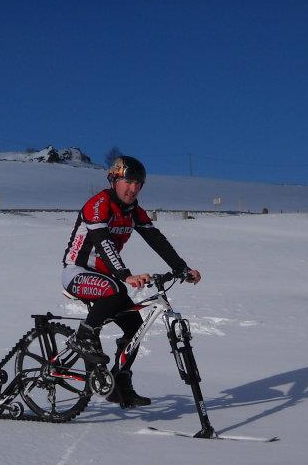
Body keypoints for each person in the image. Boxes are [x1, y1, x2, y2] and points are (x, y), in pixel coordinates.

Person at [61, 155, 202, 408]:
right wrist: (125, 274)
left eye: (138, 183)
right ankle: (83, 336)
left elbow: (156, 239)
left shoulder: (133, 211)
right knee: (115, 290)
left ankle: (120, 384)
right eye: (128, 181)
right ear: (114, 180)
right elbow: (103, 242)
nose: (133, 188)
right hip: (77, 272)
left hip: (106, 278)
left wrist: (181, 268)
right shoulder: (98, 204)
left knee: (135, 326)